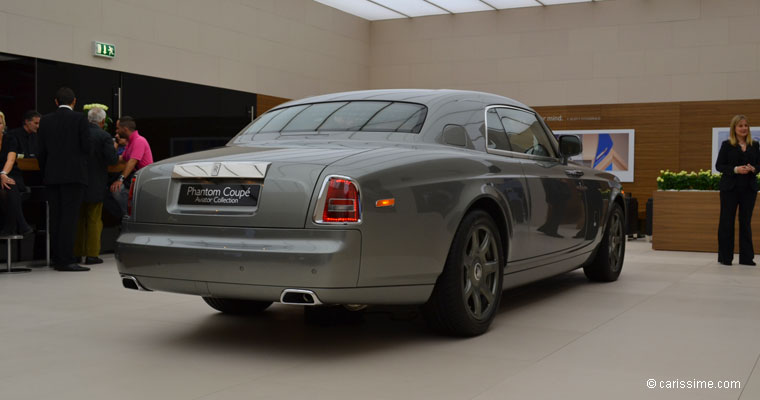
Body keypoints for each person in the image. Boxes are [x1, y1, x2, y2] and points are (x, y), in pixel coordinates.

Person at [37, 87, 91, 272]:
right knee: (69, 218)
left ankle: (56, 258)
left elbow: (41, 152)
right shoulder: (79, 119)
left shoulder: (45, 120)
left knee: (56, 218)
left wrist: (46, 171)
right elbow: (87, 147)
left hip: (52, 176)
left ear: (55, 101)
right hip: (74, 176)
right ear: (74, 101)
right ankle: (67, 260)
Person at [74, 107, 118, 265]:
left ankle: (76, 253)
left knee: (78, 219)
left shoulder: (78, 135)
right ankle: (92, 255)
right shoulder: (104, 136)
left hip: (78, 181)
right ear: (102, 121)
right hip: (96, 182)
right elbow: (112, 160)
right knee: (94, 220)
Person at [716, 114, 760, 266]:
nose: (743, 128)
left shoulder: (755, 145)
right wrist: (735, 169)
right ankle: (725, 257)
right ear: (734, 128)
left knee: (745, 222)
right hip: (730, 189)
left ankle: (747, 258)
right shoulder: (727, 144)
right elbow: (719, 166)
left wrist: (754, 168)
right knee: (726, 222)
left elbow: (759, 165)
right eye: (740, 126)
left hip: (749, 189)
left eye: (746, 125)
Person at [109, 116, 153, 216]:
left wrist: (120, 179)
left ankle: (129, 216)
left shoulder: (139, 141)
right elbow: (120, 159)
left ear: (125, 129)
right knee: (116, 190)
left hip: (143, 182)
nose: (116, 131)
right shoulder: (130, 142)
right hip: (135, 180)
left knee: (117, 189)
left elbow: (132, 161)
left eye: (117, 128)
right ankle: (128, 215)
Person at [0, 111, 33, 236]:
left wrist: (3, 174)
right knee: (9, 187)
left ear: (4, 125)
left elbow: (11, 159)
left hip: (10, 173)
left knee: (9, 185)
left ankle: (10, 227)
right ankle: (21, 224)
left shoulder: (10, 138)